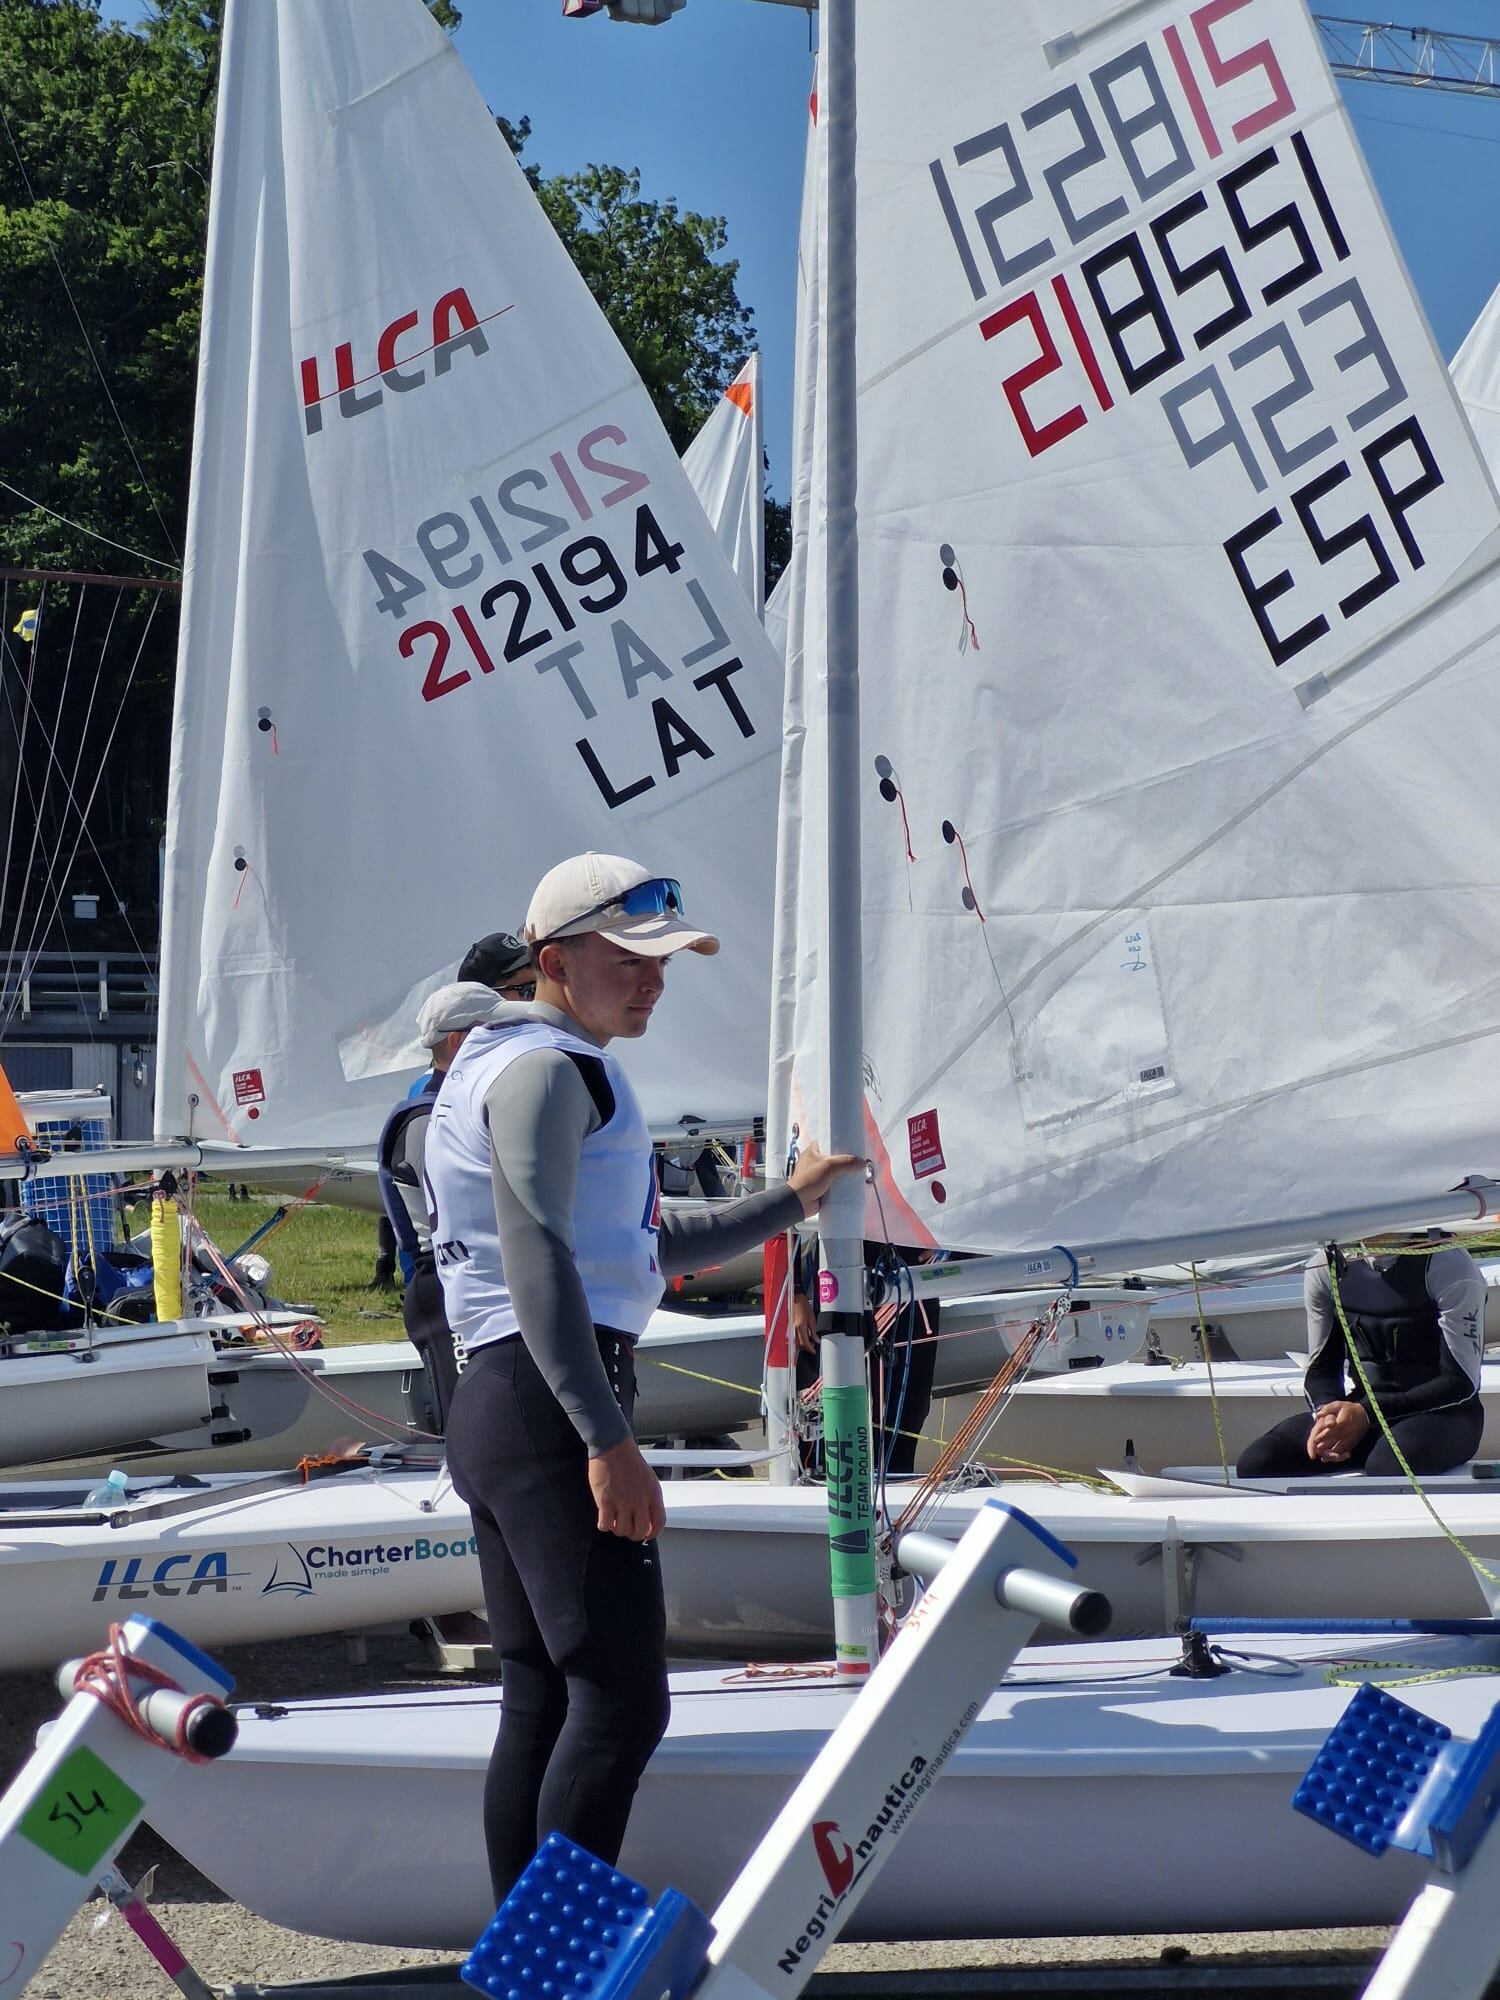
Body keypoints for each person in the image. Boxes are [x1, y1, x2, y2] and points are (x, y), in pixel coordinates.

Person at [425, 852, 859, 1903]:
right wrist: (606, 1439)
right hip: (545, 1400)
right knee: (622, 1699)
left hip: (501, 1398)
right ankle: (558, 1963)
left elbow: (643, 1247)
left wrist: (791, 1200)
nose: (654, 976)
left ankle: (529, 1968)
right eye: (629, 956)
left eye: (665, 957)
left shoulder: (504, 1058)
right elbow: (539, 1256)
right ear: (554, 960)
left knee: (541, 1694)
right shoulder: (545, 1069)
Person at [1236, 1237, 1486, 1479]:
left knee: (1388, 1466)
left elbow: (1460, 1382)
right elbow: (1321, 1369)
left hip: (1447, 1417)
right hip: (1360, 1414)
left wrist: (1365, 1413)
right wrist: (1328, 1416)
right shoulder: (1327, 1265)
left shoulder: (1448, 1265)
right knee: (1258, 1462)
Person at [377, 980, 507, 1431]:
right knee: (470, 1430)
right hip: (446, 1287)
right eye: (497, 1029)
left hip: (470, 1284)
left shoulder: (459, 1106)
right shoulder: (430, 1118)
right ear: (458, 1041)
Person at [791, 1238, 940, 1479]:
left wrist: (946, 1239)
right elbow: (784, 1210)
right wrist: (795, 1293)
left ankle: (893, 1501)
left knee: (907, 1414)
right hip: (840, 1279)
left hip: (913, 1280)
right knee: (821, 1411)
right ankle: (819, 1492)